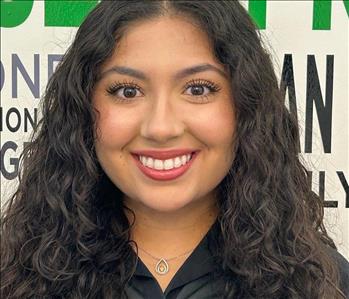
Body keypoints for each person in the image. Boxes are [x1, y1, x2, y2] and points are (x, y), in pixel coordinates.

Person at [1, 1, 348, 298]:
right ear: (82, 107)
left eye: (198, 89)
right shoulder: (15, 276)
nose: (161, 127)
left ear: (246, 106)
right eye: (127, 91)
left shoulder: (324, 284)